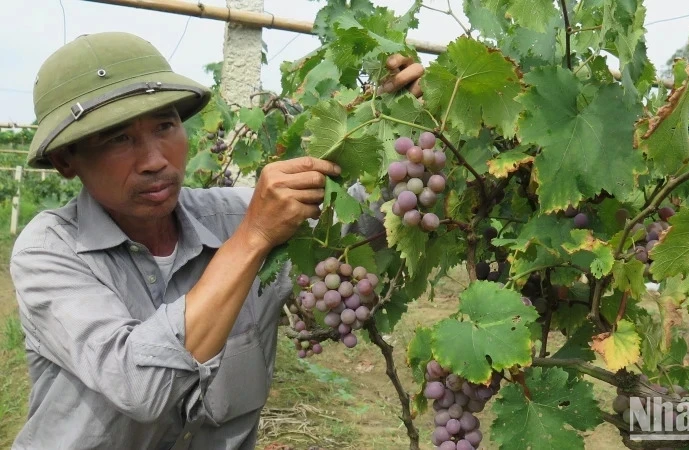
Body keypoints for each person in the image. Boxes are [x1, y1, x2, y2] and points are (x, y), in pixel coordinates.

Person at [9, 31, 423, 449]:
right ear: (66, 161)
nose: (155, 160)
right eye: (118, 139)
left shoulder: (233, 215)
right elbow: (141, 387)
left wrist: (407, 128)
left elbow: (357, 231)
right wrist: (253, 238)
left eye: (166, 126)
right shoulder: (50, 251)